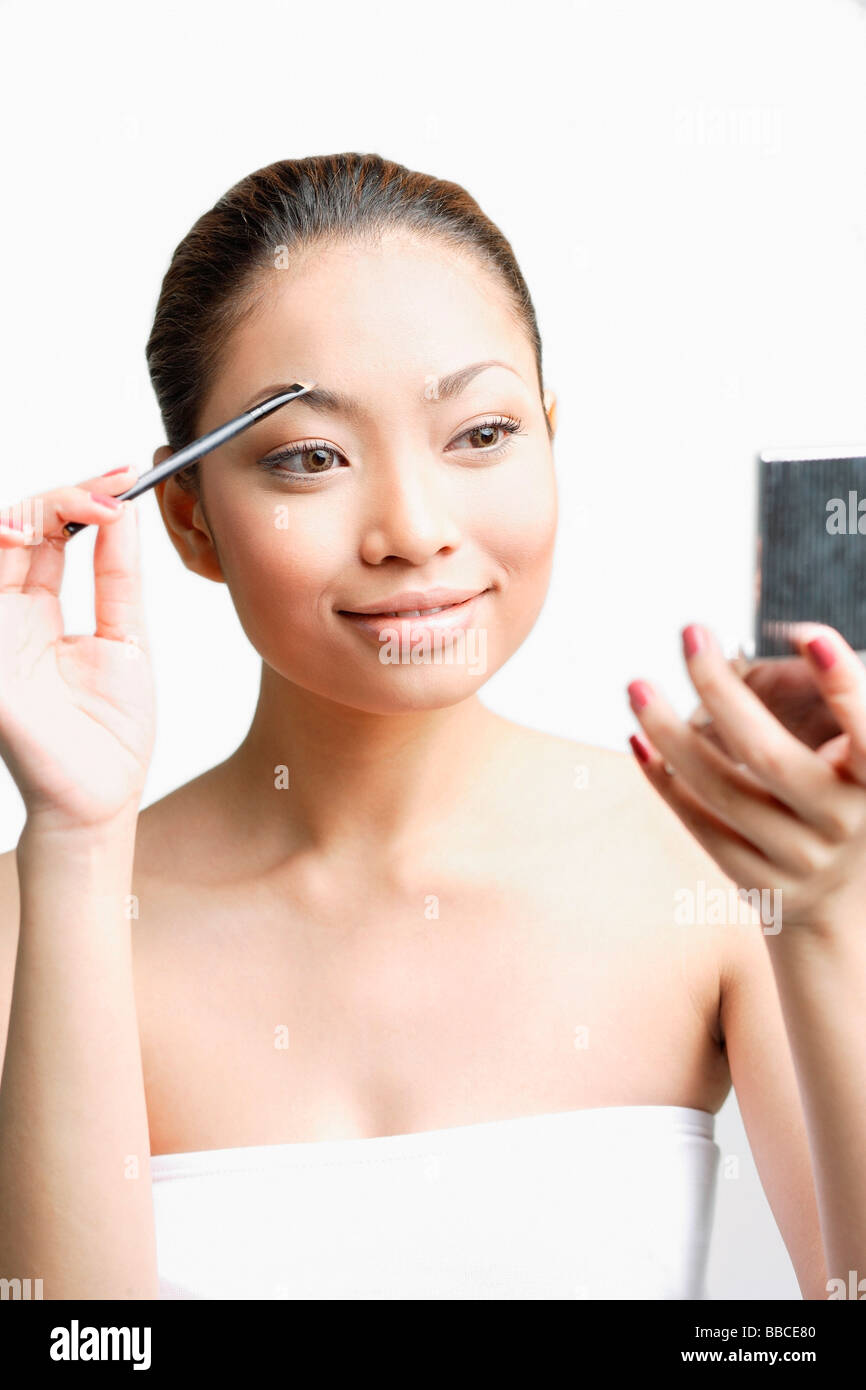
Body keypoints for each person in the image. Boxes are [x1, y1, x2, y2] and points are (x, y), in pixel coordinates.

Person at [0, 153, 859, 1301]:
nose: (411, 528)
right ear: (190, 518)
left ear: (550, 436)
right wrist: (76, 837)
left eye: (480, 432)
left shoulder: (729, 864)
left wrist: (826, 915)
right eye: (310, 456)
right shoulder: (36, 912)